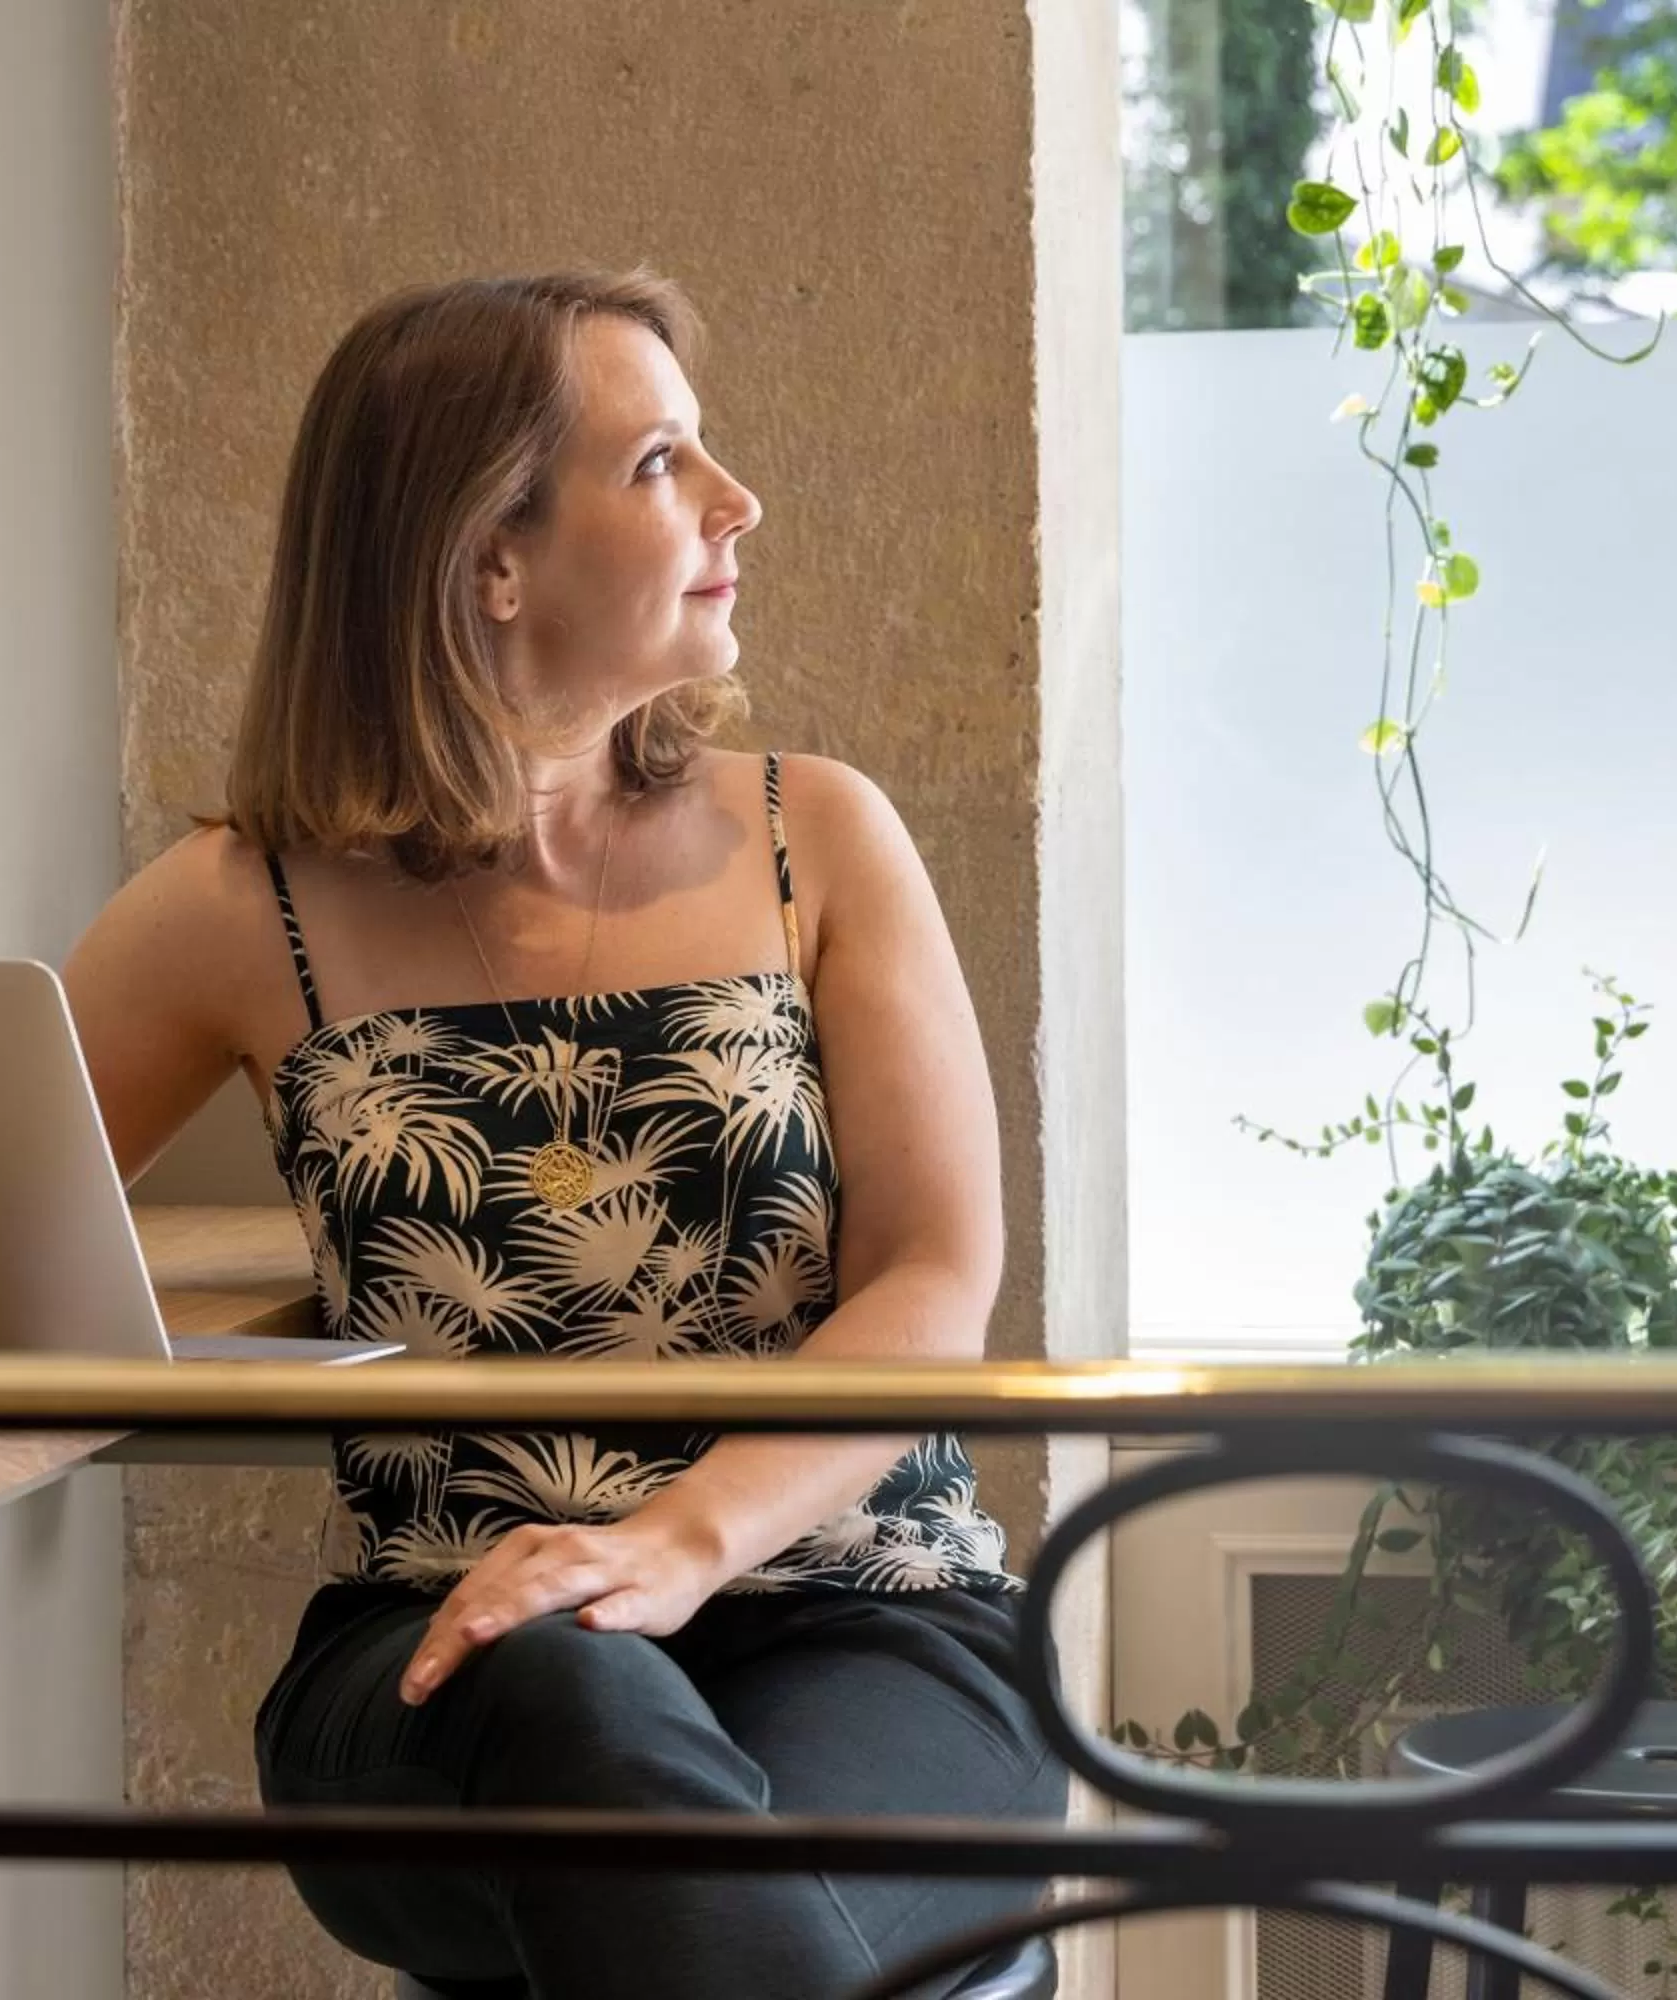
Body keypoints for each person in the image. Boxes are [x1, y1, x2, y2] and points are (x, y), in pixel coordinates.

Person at [63, 269, 1062, 2000]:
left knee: (719, 1916)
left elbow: (933, 1275)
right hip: (448, 1655)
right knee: (569, 1674)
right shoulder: (239, 910)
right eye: (664, 460)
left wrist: (677, 1545)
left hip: (862, 1607)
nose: (738, 502)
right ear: (489, 558)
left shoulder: (813, 836)